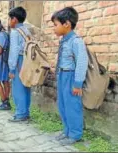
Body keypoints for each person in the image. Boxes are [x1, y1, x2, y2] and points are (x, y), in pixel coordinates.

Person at [51, 7, 88, 145]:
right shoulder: (64, 40)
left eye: (56, 25)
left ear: (66, 24)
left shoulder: (76, 41)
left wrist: (78, 83)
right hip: (62, 76)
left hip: (71, 77)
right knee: (63, 105)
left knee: (72, 106)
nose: (54, 28)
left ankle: (75, 134)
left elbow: (82, 63)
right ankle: (66, 130)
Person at [8, 7, 32, 122]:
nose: (9, 21)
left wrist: (12, 69)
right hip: (27, 60)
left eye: (10, 19)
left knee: (18, 88)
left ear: (15, 19)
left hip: (19, 61)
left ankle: (20, 114)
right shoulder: (26, 30)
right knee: (26, 87)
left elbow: (14, 51)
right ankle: (26, 112)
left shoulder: (15, 32)